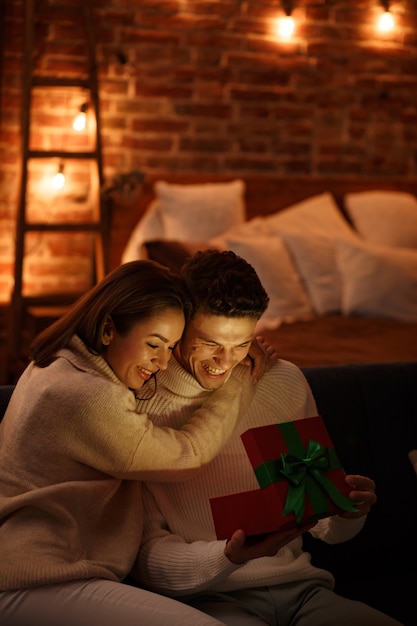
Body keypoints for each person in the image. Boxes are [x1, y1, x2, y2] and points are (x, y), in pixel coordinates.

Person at [132, 250, 403, 626]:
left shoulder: (282, 382)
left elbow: (325, 527)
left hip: (304, 591)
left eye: (241, 344)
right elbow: (144, 559)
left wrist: (349, 512)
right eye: (210, 342)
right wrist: (228, 556)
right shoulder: (141, 404)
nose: (224, 362)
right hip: (209, 602)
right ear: (179, 323)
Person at [0, 259, 270, 626]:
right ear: (109, 329)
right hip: (34, 576)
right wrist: (239, 378)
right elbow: (189, 455)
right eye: (153, 345)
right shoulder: (91, 398)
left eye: (171, 347)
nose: (161, 363)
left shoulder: (52, 364)